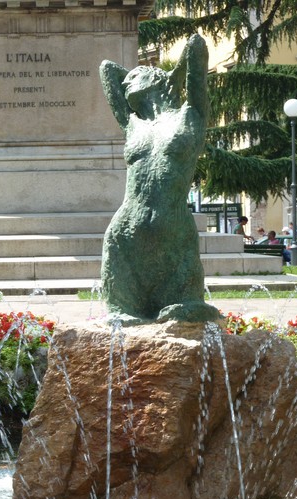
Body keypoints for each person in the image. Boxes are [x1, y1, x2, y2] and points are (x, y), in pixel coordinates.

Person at [98, 34, 219, 323]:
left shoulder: (191, 115)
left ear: (156, 81)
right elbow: (107, 70)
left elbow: (196, 46)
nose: (126, 81)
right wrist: (146, 76)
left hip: (173, 227)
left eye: (135, 76)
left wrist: (174, 75)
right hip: (126, 230)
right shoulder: (133, 124)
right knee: (122, 317)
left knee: (185, 309)